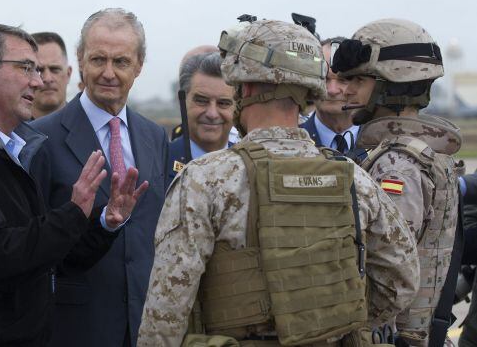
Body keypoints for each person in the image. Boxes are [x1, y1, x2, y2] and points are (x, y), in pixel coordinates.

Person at [138, 18, 419, 346]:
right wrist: (335, 320)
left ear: (247, 88)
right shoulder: (354, 179)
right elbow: (401, 281)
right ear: (309, 92)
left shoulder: (206, 181)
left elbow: (165, 315)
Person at [0, 23, 146, 346]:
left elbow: (50, 258)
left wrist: (104, 222)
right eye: (25, 68)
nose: (39, 80)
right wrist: (73, 213)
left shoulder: (14, 150)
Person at [30, 8, 169, 347]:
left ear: (138, 66)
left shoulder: (155, 136)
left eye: (121, 62)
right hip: (75, 325)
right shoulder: (40, 139)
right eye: (98, 60)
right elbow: (34, 241)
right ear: (80, 61)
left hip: (146, 323)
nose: (108, 73)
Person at [332, 18, 462, 346]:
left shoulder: (397, 165)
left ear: (394, 85)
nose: (345, 90)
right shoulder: (424, 152)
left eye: (358, 80)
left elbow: (387, 270)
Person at [167, 51, 235, 186]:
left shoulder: (251, 166)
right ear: (182, 101)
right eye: (202, 101)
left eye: (223, 103)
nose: (212, 114)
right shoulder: (157, 162)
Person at [301, 37, 366, 161]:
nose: (332, 90)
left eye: (344, 79)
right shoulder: (291, 141)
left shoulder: (382, 143)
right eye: (324, 77)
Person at [31, 32, 72, 119]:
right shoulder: (5, 130)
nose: (47, 78)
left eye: (55, 69)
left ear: (68, 74)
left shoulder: (91, 126)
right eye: (38, 70)